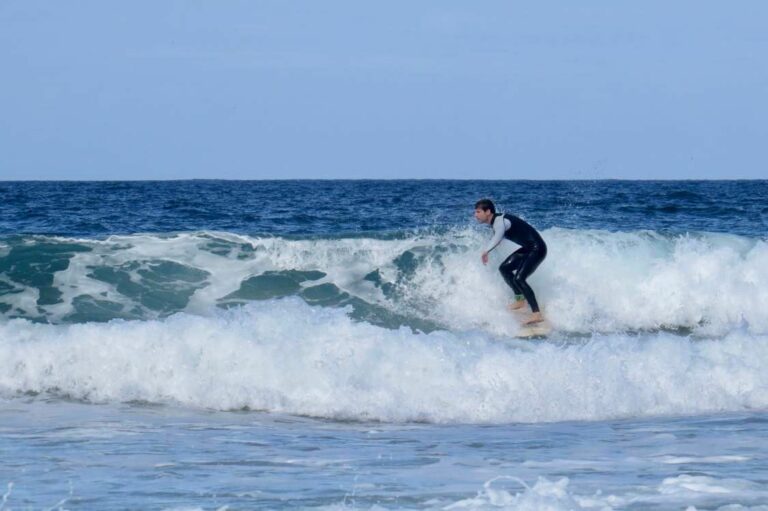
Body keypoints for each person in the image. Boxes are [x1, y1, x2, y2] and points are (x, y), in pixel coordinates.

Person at [474, 198, 547, 325]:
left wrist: (486, 251)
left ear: (488, 212)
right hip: (529, 249)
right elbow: (499, 236)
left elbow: (498, 236)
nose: (475, 215)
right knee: (504, 269)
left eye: (478, 212)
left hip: (537, 249)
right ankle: (520, 300)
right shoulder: (496, 221)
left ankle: (537, 314)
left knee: (519, 278)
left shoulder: (499, 221)